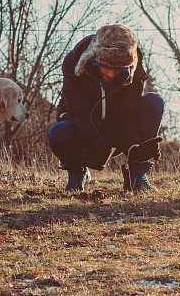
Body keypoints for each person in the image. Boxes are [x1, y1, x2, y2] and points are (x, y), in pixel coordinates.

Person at [48, 24, 164, 193]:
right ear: (94, 59)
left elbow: (127, 116)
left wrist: (134, 149)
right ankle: (77, 173)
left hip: (117, 129)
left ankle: (137, 176)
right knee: (60, 132)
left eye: (119, 71)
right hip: (83, 130)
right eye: (106, 67)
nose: (111, 75)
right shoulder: (74, 63)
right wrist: (95, 146)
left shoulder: (135, 70)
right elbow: (77, 112)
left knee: (154, 101)